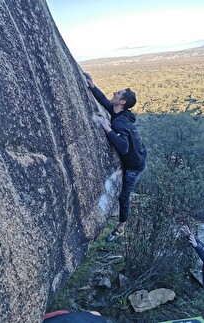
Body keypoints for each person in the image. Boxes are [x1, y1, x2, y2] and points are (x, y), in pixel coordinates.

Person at [84, 72, 146, 243]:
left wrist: (108, 129)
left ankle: (121, 227)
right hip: (138, 154)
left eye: (118, 94)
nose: (114, 94)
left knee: (124, 197)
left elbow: (124, 148)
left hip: (135, 165)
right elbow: (104, 100)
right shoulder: (119, 112)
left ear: (122, 102)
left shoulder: (119, 121)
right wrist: (92, 86)